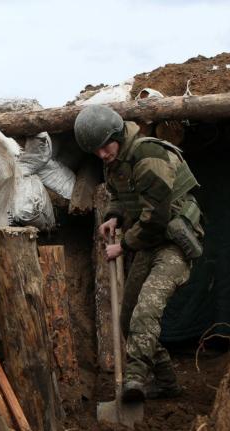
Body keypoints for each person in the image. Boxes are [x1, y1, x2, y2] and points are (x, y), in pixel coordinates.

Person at [74, 104, 205, 404]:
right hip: (148, 241)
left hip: (172, 242)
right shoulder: (116, 160)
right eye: (96, 152)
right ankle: (168, 383)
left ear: (117, 134)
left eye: (104, 147)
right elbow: (121, 196)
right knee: (128, 316)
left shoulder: (149, 156)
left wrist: (123, 246)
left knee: (146, 310)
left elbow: (156, 218)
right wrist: (114, 216)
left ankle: (134, 379)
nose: (102, 155)